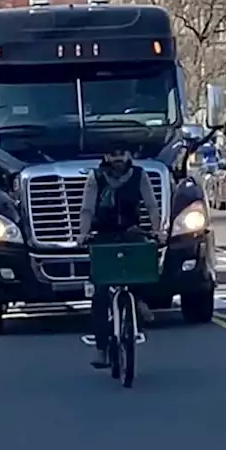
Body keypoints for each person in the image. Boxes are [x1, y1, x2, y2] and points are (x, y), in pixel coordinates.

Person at [77, 148, 161, 369]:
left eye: (121, 154)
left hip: (131, 231)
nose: (117, 159)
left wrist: (157, 229)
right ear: (105, 157)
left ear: (128, 156)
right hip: (103, 235)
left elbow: (151, 205)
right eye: (112, 155)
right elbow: (86, 208)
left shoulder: (139, 175)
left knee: (144, 263)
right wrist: (82, 233)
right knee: (100, 293)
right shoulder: (95, 177)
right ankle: (101, 348)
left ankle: (140, 301)